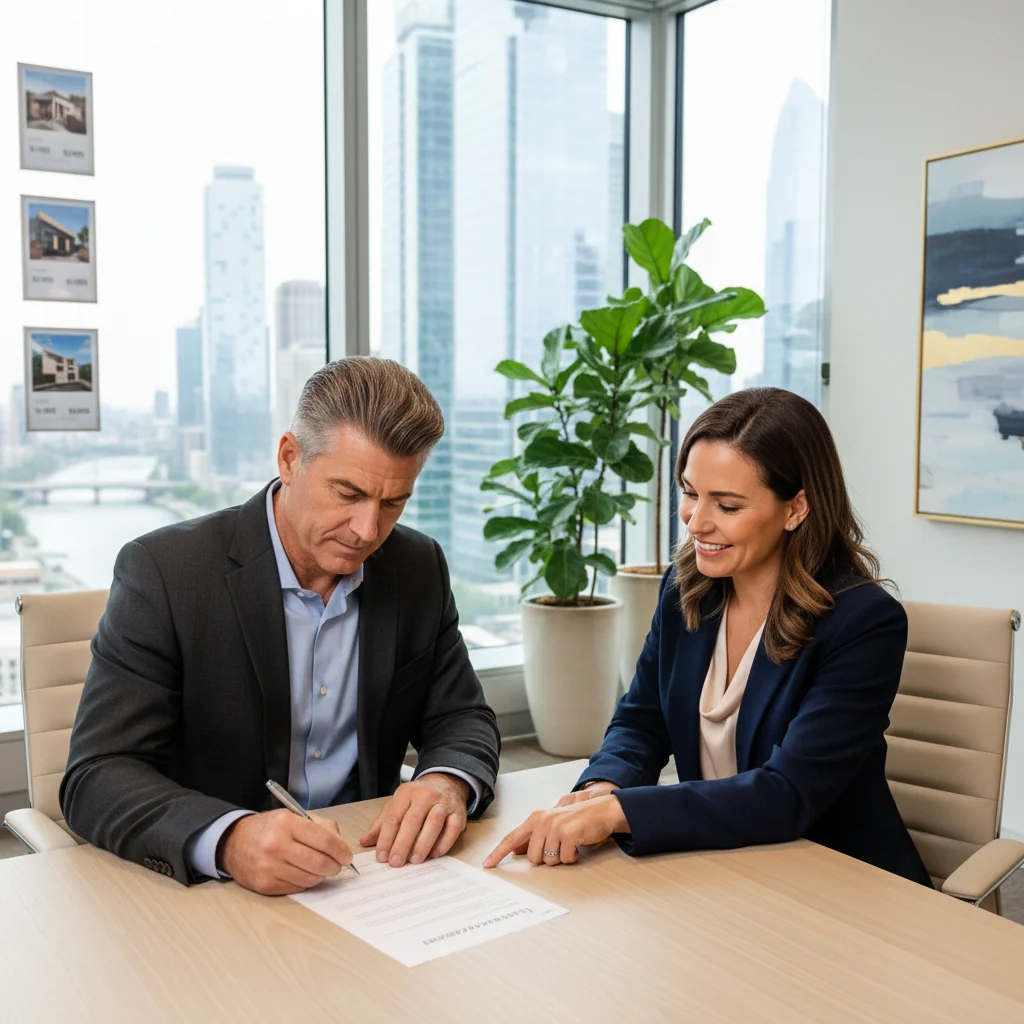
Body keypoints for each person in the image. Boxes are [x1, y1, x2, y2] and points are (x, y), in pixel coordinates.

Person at [63, 357, 500, 895]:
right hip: (214, 892)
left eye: (393, 503)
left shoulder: (417, 566)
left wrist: (447, 782)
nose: (368, 531)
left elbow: (461, 715)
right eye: (348, 494)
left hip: (369, 877)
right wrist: (229, 839)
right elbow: (97, 774)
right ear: (290, 458)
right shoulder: (167, 573)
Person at [485, 388, 930, 887]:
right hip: (721, 866)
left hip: (838, 878)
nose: (696, 522)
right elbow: (641, 721)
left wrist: (619, 813)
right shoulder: (685, 589)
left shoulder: (863, 622)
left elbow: (788, 793)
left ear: (796, 508)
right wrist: (604, 788)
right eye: (691, 493)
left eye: (728, 505)